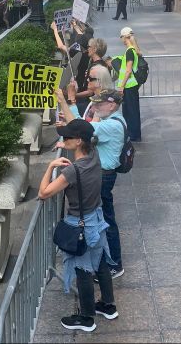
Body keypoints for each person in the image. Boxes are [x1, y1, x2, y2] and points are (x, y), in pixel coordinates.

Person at [38, 118, 118, 333]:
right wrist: (67, 145)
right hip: (97, 218)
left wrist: (50, 167)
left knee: (83, 270)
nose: (63, 139)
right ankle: (108, 306)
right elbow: (81, 139)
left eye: (67, 137)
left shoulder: (72, 171)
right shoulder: (94, 156)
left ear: (79, 141)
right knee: (100, 262)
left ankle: (86, 318)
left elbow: (43, 193)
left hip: (81, 224)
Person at [58, 88, 127, 280]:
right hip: (104, 175)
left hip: (104, 177)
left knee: (106, 220)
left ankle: (114, 264)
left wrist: (66, 100)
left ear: (112, 104)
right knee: (104, 218)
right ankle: (107, 261)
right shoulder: (111, 121)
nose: (95, 107)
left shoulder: (111, 126)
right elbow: (82, 127)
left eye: (99, 103)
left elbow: (79, 128)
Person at [115, 27, 142, 142]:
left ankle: (134, 134)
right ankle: (133, 133)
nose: (121, 39)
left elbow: (128, 70)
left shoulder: (130, 51)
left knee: (131, 111)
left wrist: (121, 86)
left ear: (124, 37)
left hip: (129, 86)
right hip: (131, 86)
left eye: (121, 37)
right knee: (132, 110)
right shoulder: (132, 50)